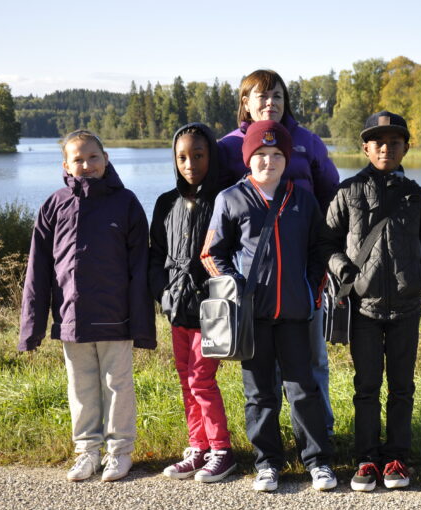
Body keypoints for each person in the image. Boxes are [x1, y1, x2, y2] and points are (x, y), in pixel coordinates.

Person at [202, 120, 336, 492]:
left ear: (286, 159)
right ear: (248, 159)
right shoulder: (230, 199)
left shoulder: (303, 200)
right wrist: (238, 289)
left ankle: (318, 460)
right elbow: (211, 254)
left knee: (303, 389)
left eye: (277, 154)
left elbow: (319, 251)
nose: (269, 161)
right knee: (259, 393)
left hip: (295, 313)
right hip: (253, 319)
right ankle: (268, 463)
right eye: (260, 154)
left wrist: (310, 290)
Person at [19, 129, 156, 482]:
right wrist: (30, 329)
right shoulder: (54, 205)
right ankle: (87, 451)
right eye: (78, 159)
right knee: (80, 388)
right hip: (72, 318)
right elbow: (38, 271)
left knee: (117, 385)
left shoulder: (125, 203)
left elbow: (139, 268)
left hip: (116, 318)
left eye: (93, 157)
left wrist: (141, 325)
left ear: (106, 159)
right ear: (66, 164)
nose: (86, 164)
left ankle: (120, 451)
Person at [323, 111, 421, 491]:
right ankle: (366, 458)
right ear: (365, 148)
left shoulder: (417, 197)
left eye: (395, 142)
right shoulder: (347, 192)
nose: (386, 148)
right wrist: (345, 271)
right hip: (363, 309)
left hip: (406, 308)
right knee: (366, 387)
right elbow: (327, 243)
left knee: (402, 387)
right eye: (378, 141)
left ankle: (397, 457)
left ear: (405, 147)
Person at [217, 69, 338, 435]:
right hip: (254, 280)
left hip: (300, 272)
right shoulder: (227, 147)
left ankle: (320, 435)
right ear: (245, 102)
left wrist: (320, 266)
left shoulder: (308, 142)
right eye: (262, 96)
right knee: (260, 369)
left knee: (311, 361)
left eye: (278, 97)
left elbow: (330, 194)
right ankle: (268, 447)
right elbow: (222, 208)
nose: (271, 103)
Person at [148, 123, 236, 483]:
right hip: (177, 308)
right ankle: (197, 447)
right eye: (182, 156)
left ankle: (222, 450)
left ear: (211, 156)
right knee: (186, 379)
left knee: (202, 380)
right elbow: (156, 255)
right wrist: (163, 292)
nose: (190, 163)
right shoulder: (166, 203)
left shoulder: (224, 198)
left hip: (211, 309)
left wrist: (224, 292)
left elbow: (232, 250)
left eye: (198, 155)